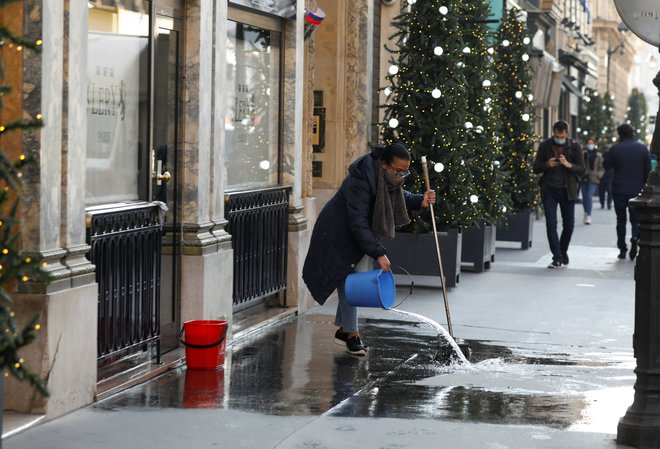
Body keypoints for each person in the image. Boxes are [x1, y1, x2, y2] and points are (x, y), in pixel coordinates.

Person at [302, 143, 436, 356]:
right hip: (337, 233)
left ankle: (344, 330)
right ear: (384, 164)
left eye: (405, 171)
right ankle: (352, 334)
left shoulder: (387, 179)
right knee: (348, 281)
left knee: (355, 281)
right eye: (398, 170)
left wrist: (421, 200)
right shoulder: (361, 180)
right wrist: (379, 252)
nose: (401, 175)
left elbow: (400, 195)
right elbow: (358, 222)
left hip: (358, 235)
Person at [532, 120, 585, 269]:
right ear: (553, 132)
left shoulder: (574, 146)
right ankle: (557, 257)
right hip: (549, 190)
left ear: (567, 133)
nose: (559, 139)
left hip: (568, 191)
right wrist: (547, 164)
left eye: (561, 136)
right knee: (551, 225)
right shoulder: (545, 146)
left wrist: (569, 165)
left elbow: (582, 170)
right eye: (556, 136)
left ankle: (562, 251)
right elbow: (535, 168)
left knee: (569, 225)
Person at [603, 124, 651, 260]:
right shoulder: (642, 149)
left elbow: (606, 165)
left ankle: (622, 248)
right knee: (635, 220)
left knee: (621, 220)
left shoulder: (616, 149)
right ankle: (635, 239)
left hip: (619, 189)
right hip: (637, 190)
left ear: (620, 135)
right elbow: (648, 170)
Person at [579, 137, 605, 225]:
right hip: (583, 178)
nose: (590, 145)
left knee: (589, 196)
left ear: (594, 144)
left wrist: (598, 175)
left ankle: (589, 215)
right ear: (586, 144)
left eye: (592, 143)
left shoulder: (598, 155)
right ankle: (586, 212)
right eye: (588, 143)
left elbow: (601, 167)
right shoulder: (583, 154)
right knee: (584, 198)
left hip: (593, 179)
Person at [598, 145, 614, 210]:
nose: (607, 150)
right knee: (603, 191)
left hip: (609, 176)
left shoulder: (611, 157)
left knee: (608, 191)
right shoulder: (601, 156)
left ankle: (608, 204)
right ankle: (604, 203)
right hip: (603, 175)